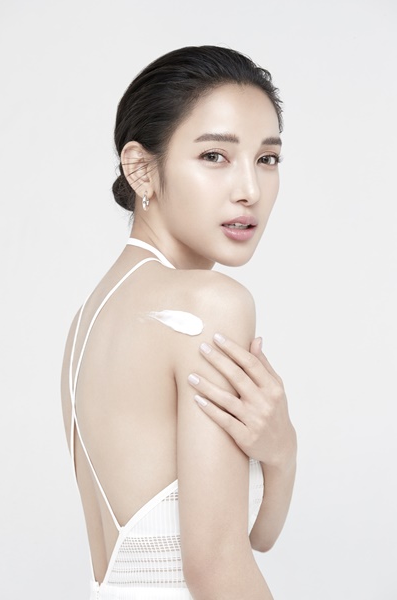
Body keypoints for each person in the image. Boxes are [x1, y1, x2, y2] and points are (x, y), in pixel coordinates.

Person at [61, 45, 297, 600]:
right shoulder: (210, 303)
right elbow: (216, 569)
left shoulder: (89, 319)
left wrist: (282, 450)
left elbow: (255, 537)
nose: (250, 190)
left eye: (267, 159)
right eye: (215, 156)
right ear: (141, 169)